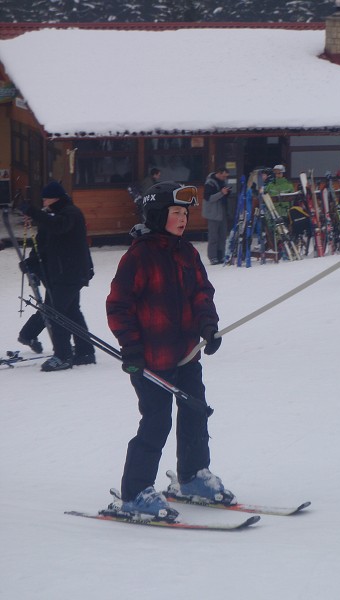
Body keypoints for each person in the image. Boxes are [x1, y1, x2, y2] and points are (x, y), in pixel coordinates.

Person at [106, 181, 234, 518]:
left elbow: (202, 293)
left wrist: (208, 325)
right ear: (158, 214)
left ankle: (192, 477)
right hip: (150, 360)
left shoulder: (186, 252)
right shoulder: (138, 257)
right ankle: (135, 492)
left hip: (186, 354)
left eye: (185, 212)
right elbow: (119, 306)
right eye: (176, 212)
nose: (183, 218)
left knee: (195, 412)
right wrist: (131, 347)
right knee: (157, 421)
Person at [21, 181, 95, 370]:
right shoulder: (51, 217)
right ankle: (85, 351)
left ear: (56, 198)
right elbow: (44, 245)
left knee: (55, 313)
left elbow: (59, 226)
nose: (44, 201)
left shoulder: (70, 213)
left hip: (70, 273)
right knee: (71, 312)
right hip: (61, 274)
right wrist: (31, 263)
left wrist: (34, 212)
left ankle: (63, 356)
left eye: (46, 197)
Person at [202, 167, 231, 265]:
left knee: (223, 236)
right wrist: (221, 193)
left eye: (226, 176)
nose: (224, 178)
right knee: (213, 236)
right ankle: (212, 257)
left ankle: (221, 255)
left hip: (222, 212)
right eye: (223, 176)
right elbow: (209, 198)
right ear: (219, 173)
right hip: (213, 213)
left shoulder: (224, 182)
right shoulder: (209, 183)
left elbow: (225, 195)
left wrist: (227, 193)